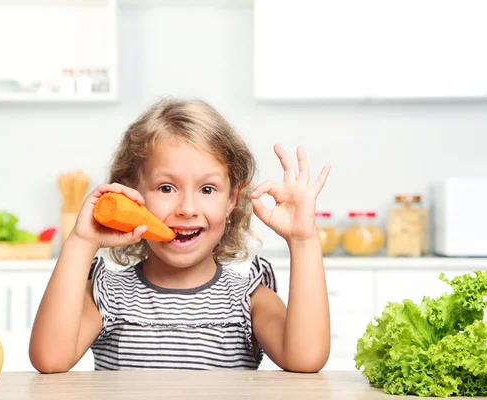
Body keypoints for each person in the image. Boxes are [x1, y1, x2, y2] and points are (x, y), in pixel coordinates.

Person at [29, 98, 331, 372]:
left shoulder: (249, 298)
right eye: (166, 188)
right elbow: (50, 359)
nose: (187, 208)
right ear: (131, 194)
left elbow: (305, 359)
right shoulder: (107, 295)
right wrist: (81, 243)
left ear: (230, 199)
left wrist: (303, 241)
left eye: (207, 189)